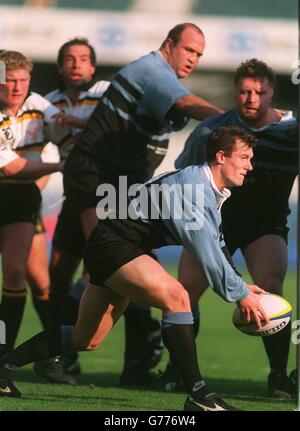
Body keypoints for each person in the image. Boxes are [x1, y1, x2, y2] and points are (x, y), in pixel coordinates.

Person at [0, 126, 270, 411]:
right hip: (114, 245)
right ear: (221, 156)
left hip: (116, 244)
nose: (249, 166)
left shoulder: (207, 188)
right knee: (177, 297)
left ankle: (3, 367)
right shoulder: (195, 190)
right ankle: (199, 396)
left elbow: (217, 243)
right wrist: (240, 295)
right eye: (244, 157)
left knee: (85, 337)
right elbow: (207, 254)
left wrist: (241, 284)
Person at [53, 22, 223, 386]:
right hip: (97, 179)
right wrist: (231, 121)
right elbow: (186, 103)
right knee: (117, 265)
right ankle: (63, 357)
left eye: (199, 55)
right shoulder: (152, 71)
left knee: (102, 272)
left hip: (118, 186)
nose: (193, 59)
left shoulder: (159, 85)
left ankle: (127, 365)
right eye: (189, 50)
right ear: (169, 45)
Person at [169, 58, 298, 399]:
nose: (251, 98)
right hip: (212, 223)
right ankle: (177, 371)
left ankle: (279, 376)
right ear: (234, 92)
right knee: (183, 293)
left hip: (265, 225)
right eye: (243, 91)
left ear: (272, 93)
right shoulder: (211, 130)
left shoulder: (291, 131)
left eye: (259, 91)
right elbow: (184, 174)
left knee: (270, 289)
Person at [27, 37, 110, 383]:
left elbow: (116, 126)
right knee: (57, 278)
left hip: (107, 197)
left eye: (84, 59)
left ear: (92, 67)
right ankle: (55, 356)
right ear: (60, 67)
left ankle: (140, 359)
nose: (77, 64)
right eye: (70, 59)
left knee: (102, 274)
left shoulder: (107, 92)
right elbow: (33, 146)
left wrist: (76, 124)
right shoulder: (49, 104)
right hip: (74, 198)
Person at [0, 50, 82, 361]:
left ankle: (32, 357)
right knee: (28, 274)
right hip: (11, 185)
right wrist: (60, 166)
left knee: (21, 273)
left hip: (20, 199)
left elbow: (67, 134)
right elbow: (11, 167)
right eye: (10, 81)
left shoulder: (38, 104)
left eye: (23, 80)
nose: (17, 87)